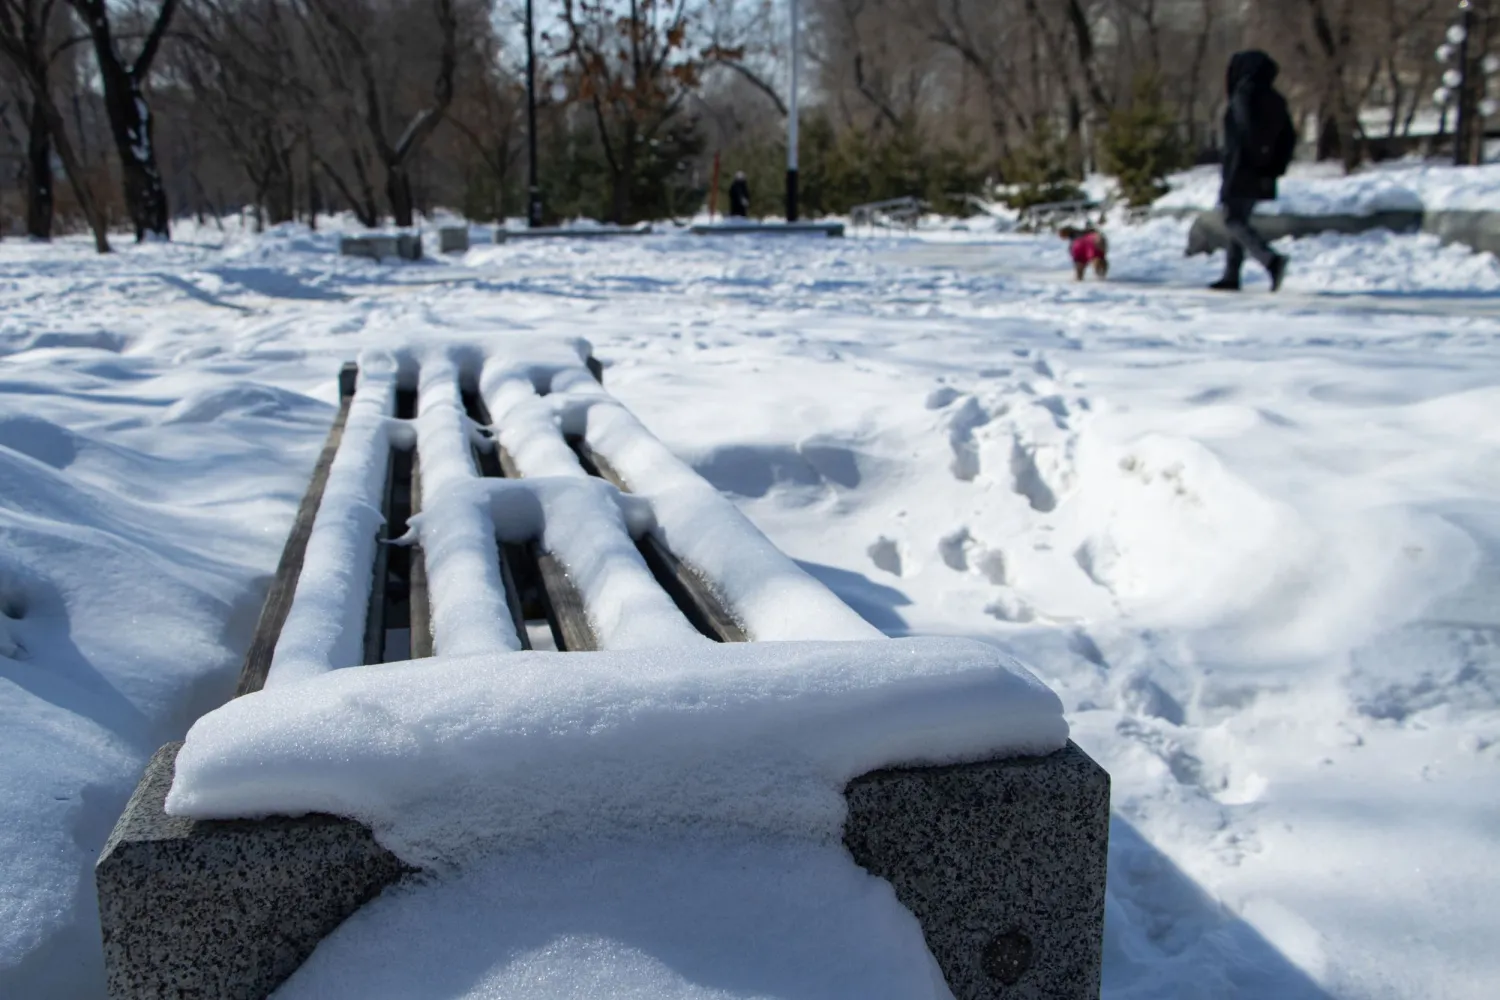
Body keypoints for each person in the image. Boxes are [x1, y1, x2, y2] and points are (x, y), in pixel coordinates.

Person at [1213, 50, 1296, 292]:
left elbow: (1244, 132)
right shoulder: (1276, 99)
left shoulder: (1244, 95)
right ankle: (1231, 274)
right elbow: (1289, 137)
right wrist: (1274, 165)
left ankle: (1271, 260)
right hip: (1263, 170)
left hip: (1241, 167)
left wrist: (1246, 159)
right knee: (1239, 219)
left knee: (1232, 219)